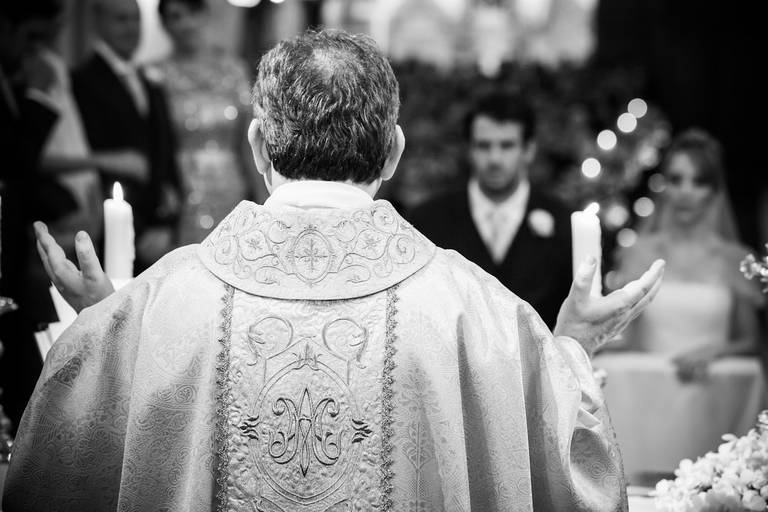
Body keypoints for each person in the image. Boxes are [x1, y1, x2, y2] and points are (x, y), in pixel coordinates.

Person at [3, 29, 664, 511]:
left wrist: (108, 331)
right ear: (394, 152)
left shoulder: (163, 302)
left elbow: (62, 468)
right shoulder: (472, 309)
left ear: (258, 145)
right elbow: (567, 468)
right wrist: (572, 345)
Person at [595, 128, 765, 481]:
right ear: (665, 187)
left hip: (714, 396)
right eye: (676, 179)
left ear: (715, 191)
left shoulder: (734, 258)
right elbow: (628, 333)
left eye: (698, 181)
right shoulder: (639, 252)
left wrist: (714, 352)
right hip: (646, 399)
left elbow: (751, 341)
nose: (686, 191)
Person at [410, 91, 572, 328]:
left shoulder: (564, 222)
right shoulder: (427, 221)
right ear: (469, 149)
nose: (494, 158)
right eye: (484, 146)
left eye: (507, 145)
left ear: (528, 150)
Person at [0, 0, 80, 431]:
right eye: (29, 38)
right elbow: (15, 161)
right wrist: (36, 95)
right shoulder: (25, 81)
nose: (35, 51)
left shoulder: (17, 72)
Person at [72, 0, 180, 271]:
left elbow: (165, 149)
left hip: (159, 227)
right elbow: (89, 163)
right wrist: (137, 232)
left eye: (136, 19)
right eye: (121, 20)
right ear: (98, 22)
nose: (132, 28)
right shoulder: (81, 82)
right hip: (113, 231)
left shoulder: (149, 79)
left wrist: (167, 220)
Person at [154, 0, 262, 246]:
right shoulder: (157, 75)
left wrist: (261, 195)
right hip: (183, 188)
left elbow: (248, 141)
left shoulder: (234, 69)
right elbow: (156, 145)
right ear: (164, 24)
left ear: (205, 14)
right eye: (176, 17)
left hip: (232, 186)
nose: (186, 23)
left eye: (192, 13)